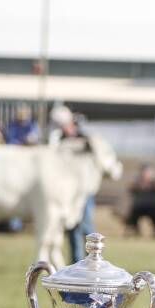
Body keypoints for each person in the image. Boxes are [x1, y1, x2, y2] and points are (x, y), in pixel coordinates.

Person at [49, 105, 95, 262]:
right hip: (69, 192)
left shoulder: (83, 139)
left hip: (84, 190)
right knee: (73, 227)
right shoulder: (59, 141)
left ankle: (93, 260)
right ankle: (77, 263)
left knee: (87, 227)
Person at [126, 164, 155, 236]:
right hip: (139, 207)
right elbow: (129, 189)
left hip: (153, 207)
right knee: (132, 213)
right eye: (145, 172)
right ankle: (134, 231)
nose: (146, 174)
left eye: (148, 172)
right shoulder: (137, 182)